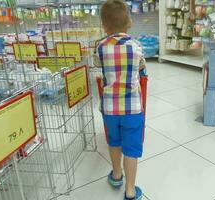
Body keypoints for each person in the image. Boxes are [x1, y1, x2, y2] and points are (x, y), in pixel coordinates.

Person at [95, 0, 146, 200]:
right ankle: (131, 190)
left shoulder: (100, 47)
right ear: (130, 23)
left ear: (104, 26)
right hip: (132, 108)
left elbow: (98, 65)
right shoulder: (136, 46)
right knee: (131, 148)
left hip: (109, 108)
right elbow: (141, 66)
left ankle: (116, 175)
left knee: (114, 142)